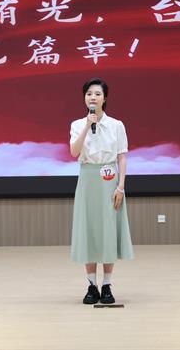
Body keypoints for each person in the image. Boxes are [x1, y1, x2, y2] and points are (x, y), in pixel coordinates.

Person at [69, 77, 134, 304]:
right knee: (89, 229)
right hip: (87, 178)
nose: (93, 97)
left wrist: (121, 187)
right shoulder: (77, 124)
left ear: (105, 98)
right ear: (84, 98)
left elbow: (122, 157)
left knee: (108, 230)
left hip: (109, 178)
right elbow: (74, 152)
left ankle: (106, 284)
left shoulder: (117, 125)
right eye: (89, 94)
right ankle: (91, 285)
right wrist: (88, 125)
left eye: (97, 94)